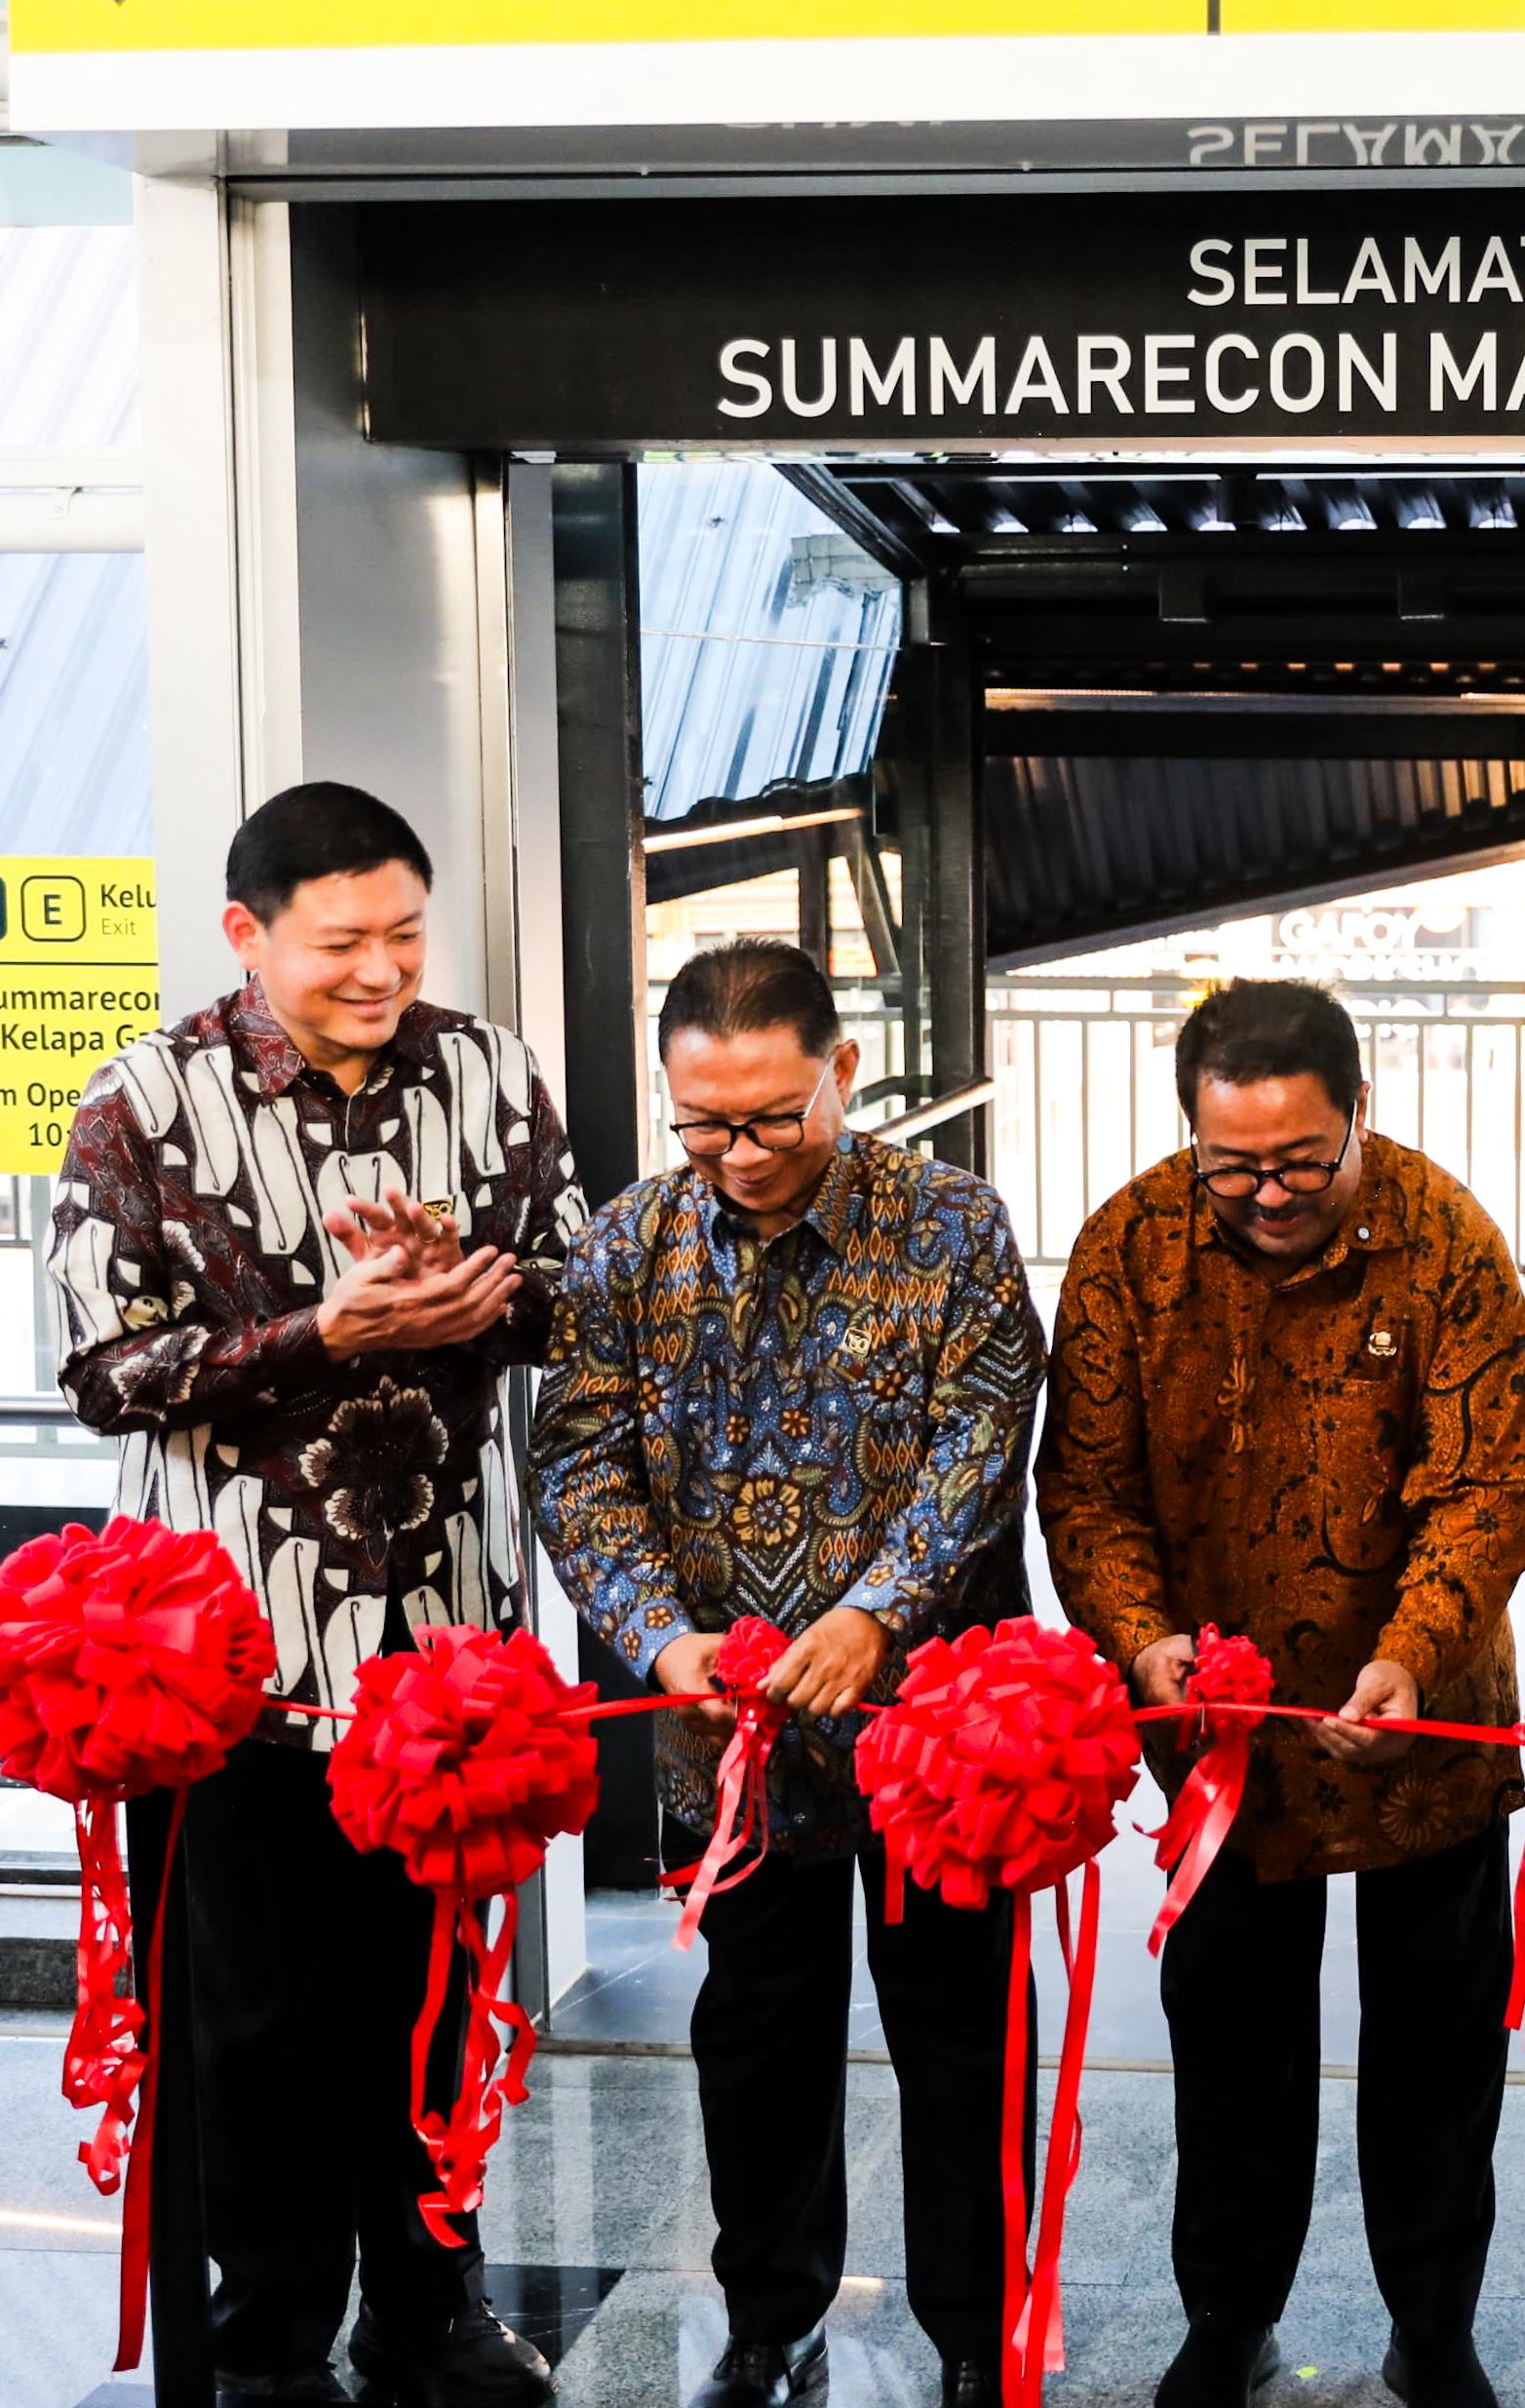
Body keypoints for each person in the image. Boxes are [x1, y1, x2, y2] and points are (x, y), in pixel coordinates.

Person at [48, 782, 583, 2408]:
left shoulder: (493, 1073)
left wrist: (476, 1292)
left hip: (443, 1660)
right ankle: (268, 2333)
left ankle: (430, 2310)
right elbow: (99, 1372)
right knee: (251, 2021)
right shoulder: (140, 1103)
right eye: (343, 941)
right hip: (233, 1664)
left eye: (406, 935)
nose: (382, 970)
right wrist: (319, 1334)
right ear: (248, 933)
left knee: (432, 2003)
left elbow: (580, 1298)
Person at [528, 940, 1042, 2408]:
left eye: (773, 1118)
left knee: (962, 2032)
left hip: (935, 1731)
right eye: (705, 1123)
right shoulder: (628, 1245)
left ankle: (974, 2335)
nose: (741, 1154)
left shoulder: (951, 1226)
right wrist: (656, 1634)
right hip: (729, 1734)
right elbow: (579, 1462)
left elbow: (982, 1441)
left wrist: (880, 1611)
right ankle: (769, 2314)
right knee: (757, 2032)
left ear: (843, 1073)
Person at [1036, 981, 1525, 2408]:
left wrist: (1416, 1651)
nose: (1268, 1195)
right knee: (1230, 2042)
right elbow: (1086, 1487)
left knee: (1437, 2050)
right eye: (1234, 1167)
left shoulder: (1448, 1240)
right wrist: (1142, 1641)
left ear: (1358, 1112)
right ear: (1190, 1133)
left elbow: (1488, 1487)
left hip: (1420, 1721)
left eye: (1302, 1163)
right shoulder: (1128, 1247)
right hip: (1219, 1740)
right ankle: (1228, 2317)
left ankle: (1432, 2327)